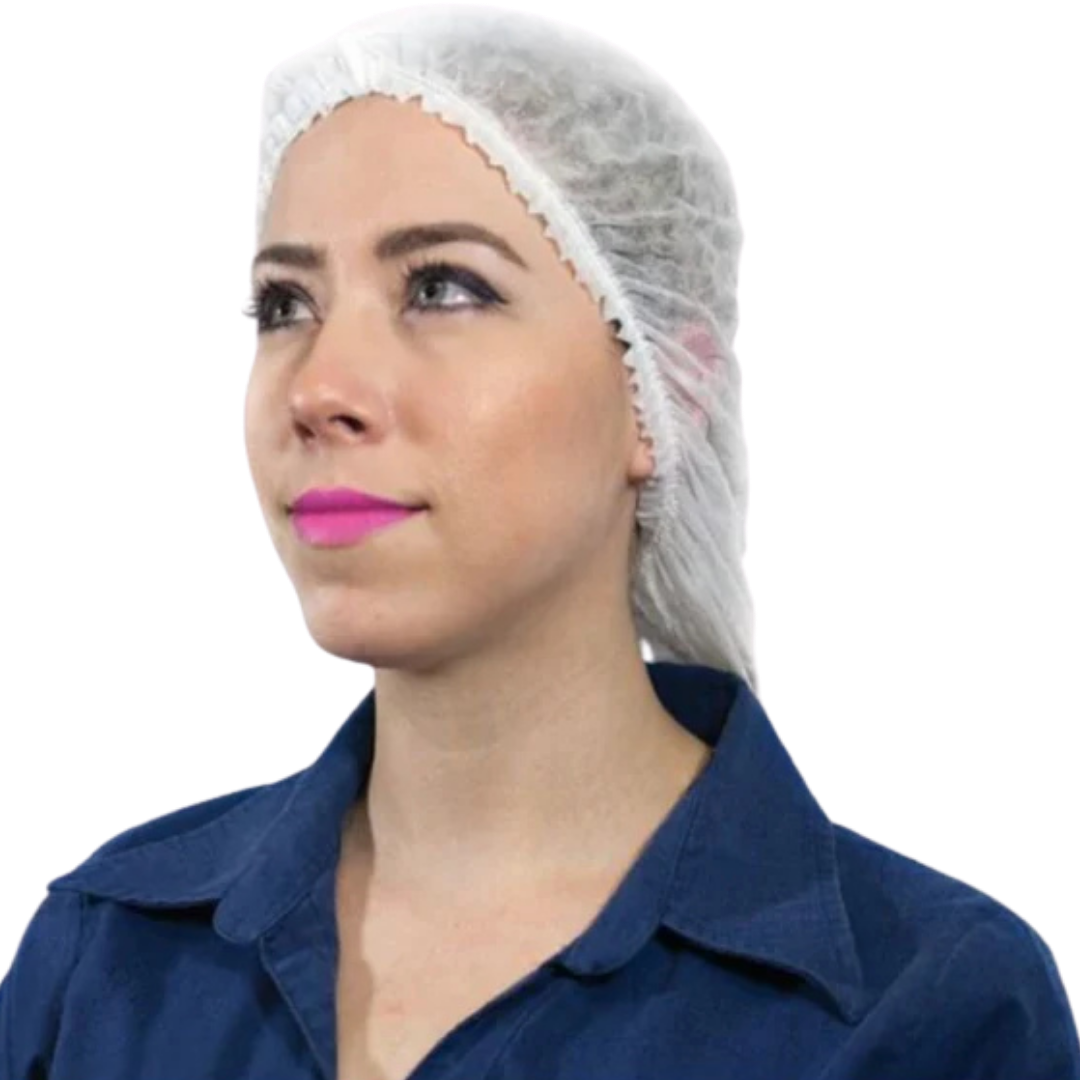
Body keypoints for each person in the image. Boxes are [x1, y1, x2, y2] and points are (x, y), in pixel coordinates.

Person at [2, 9, 1076, 1080]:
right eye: (285, 303)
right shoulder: (107, 951)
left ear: (666, 391)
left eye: (442, 287)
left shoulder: (926, 1008)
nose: (320, 388)